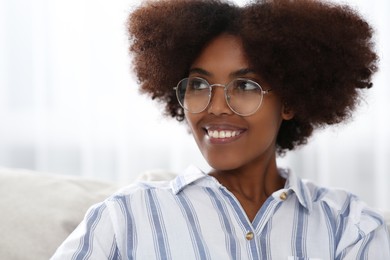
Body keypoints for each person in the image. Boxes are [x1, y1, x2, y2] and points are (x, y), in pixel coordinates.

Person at [51, 0, 390, 259]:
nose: (214, 106)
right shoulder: (125, 217)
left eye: (244, 86)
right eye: (199, 85)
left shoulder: (351, 226)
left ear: (289, 102)